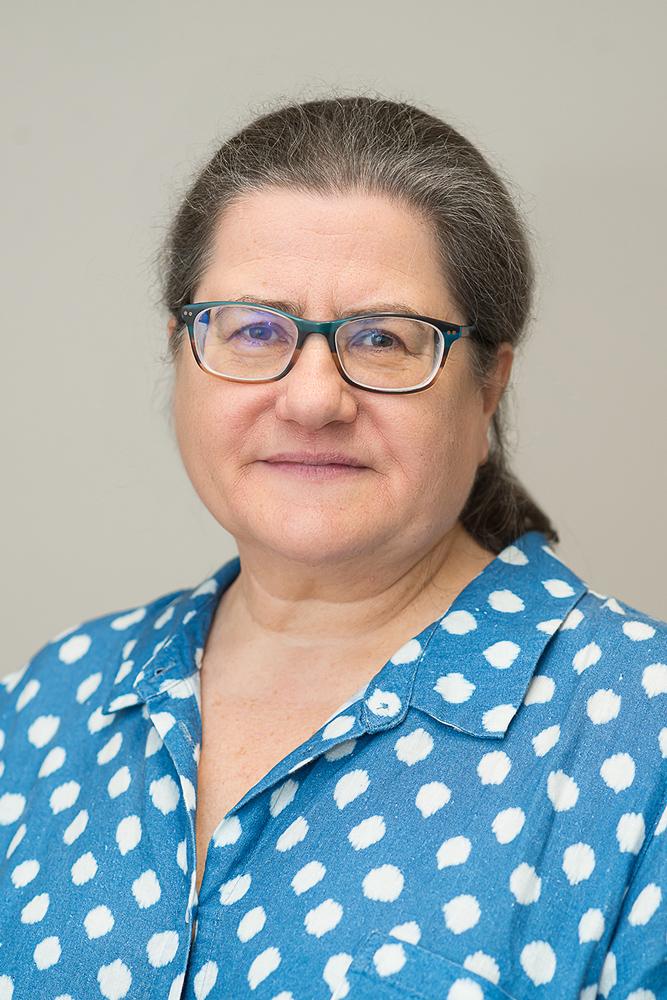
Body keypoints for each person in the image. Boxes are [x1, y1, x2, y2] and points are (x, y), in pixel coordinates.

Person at [1, 95, 664, 1000]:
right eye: (254, 330)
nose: (312, 399)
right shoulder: (52, 701)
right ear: (180, 355)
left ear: (487, 385)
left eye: (383, 339)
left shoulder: (638, 734)